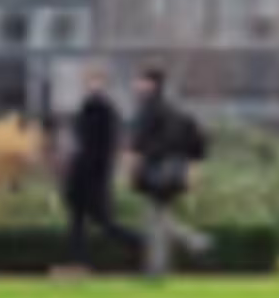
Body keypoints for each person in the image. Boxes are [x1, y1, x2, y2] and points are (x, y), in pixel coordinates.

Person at [128, 65, 213, 277]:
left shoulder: (148, 109)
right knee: (161, 217)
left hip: (155, 171)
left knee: (155, 220)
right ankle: (185, 247)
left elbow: (137, 144)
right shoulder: (176, 111)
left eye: (140, 81)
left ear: (150, 84)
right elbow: (198, 143)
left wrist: (131, 169)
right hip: (176, 171)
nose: (136, 85)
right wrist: (192, 170)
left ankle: (160, 266)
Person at [62, 77, 144, 270]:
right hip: (92, 176)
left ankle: (137, 242)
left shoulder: (97, 112)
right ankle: (79, 261)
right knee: (84, 222)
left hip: (90, 177)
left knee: (93, 222)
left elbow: (90, 145)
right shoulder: (103, 113)